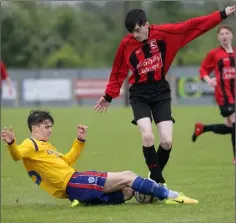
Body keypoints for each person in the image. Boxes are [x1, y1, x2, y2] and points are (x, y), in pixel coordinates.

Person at [94, 6, 236, 185]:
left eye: (137, 30)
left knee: (167, 142)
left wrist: (222, 13)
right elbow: (118, 71)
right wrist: (108, 96)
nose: (135, 35)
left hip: (161, 91)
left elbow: (194, 25)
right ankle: (157, 181)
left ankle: (150, 180)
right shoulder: (126, 44)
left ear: (146, 24)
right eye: (131, 32)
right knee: (147, 137)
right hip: (139, 94)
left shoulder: (165, 33)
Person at [1, 110, 198, 206]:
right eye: (46, 127)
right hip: (74, 183)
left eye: (51, 127)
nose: (50, 130)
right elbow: (17, 156)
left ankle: (86, 202)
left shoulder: (45, 147)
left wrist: (79, 140)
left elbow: (67, 161)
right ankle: (171, 196)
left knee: (128, 191)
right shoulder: (30, 144)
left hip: (75, 182)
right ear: (34, 128)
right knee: (128, 175)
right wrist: (11, 144)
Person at [191, 25, 235, 164]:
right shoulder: (214, 54)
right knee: (235, 123)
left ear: (231, 35)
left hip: (234, 94)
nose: (224, 36)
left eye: (227, 33)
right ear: (218, 37)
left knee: (230, 127)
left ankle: (203, 128)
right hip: (224, 95)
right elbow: (203, 69)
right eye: (221, 34)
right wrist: (209, 80)